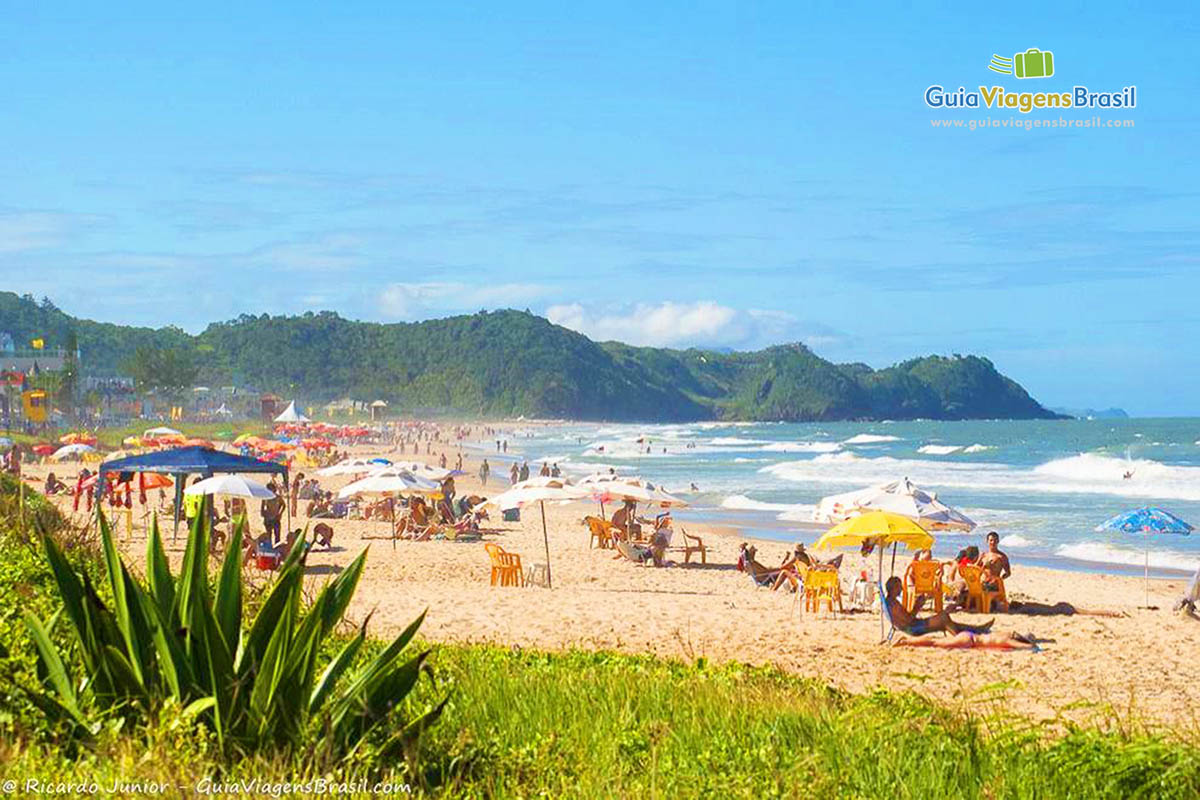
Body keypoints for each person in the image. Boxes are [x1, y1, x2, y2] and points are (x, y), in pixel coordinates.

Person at [884, 576, 993, 637]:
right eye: (899, 587)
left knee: (949, 621)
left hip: (913, 625)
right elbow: (908, 620)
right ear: (894, 587)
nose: (902, 589)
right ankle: (959, 637)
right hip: (914, 628)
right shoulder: (894, 605)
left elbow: (906, 619)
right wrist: (917, 606)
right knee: (944, 617)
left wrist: (918, 605)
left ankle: (978, 629)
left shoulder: (890, 602)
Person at [893, 631, 1037, 651]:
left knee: (937, 640)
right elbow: (1027, 647)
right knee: (936, 643)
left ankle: (909, 640)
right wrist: (1032, 645)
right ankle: (907, 641)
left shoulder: (1005, 634)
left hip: (969, 636)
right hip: (969, 640)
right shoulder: (1007, 640)